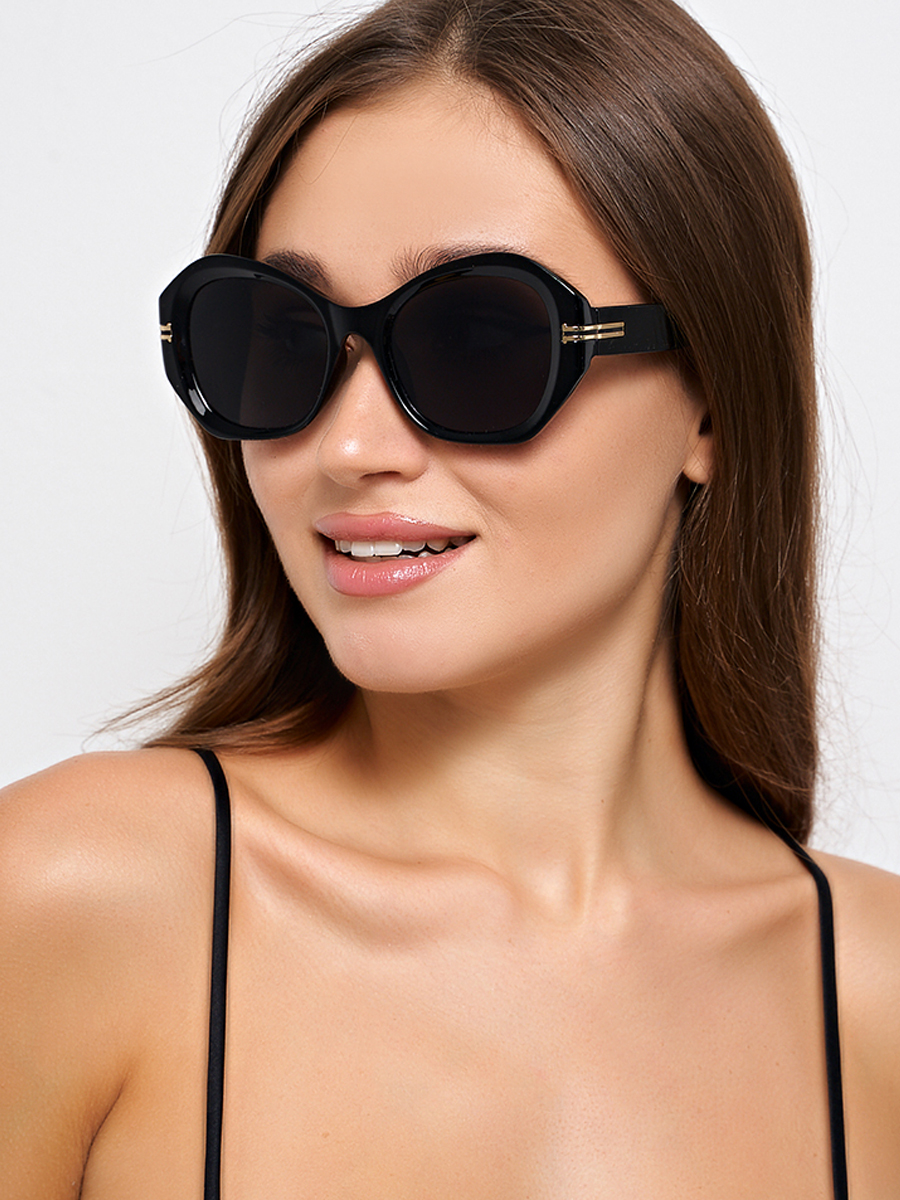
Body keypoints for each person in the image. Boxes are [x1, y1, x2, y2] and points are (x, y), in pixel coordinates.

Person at [2, 0, 898, 1194]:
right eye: (283, 336)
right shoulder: (75, 900)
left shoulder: (878, 1002)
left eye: (479, 340)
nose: (348, 447)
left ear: (712, 404)